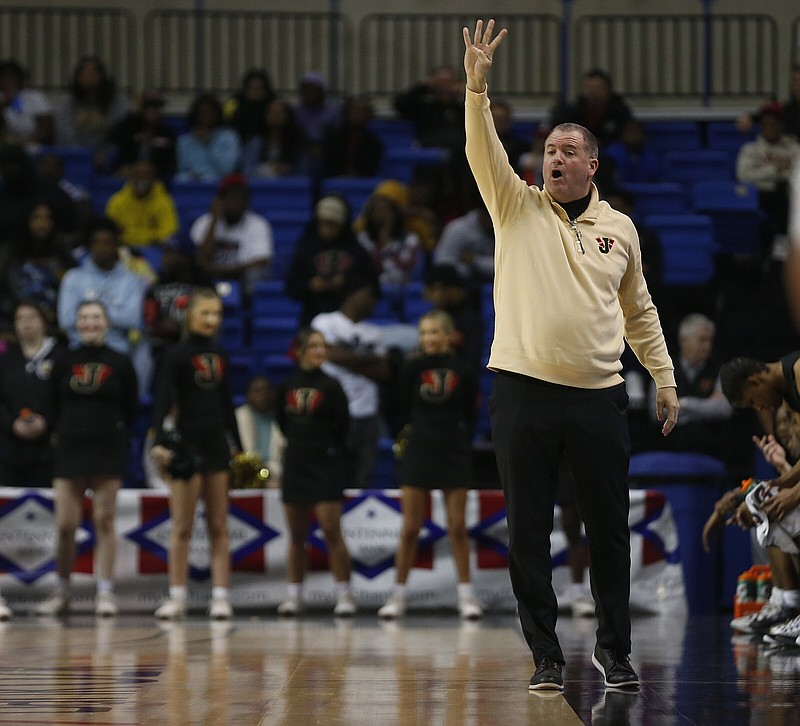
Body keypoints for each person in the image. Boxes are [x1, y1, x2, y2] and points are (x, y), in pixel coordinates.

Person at [462, 19, 679, 692]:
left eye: (567, 150)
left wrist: (665, 379)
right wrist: (477, 87)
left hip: (597, 394)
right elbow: (481, 151)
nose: (554, 157)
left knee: (610, 532)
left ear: (590, 164)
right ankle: (547, 656)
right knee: (529, 531)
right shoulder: (514, 206)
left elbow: (639, 311)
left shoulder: (619, 229)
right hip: (523, 389)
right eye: (548, 149)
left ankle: (613, 650)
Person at [35, 300, 138, 617]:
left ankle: (105, 591)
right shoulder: (64, 360)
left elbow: (131, 407)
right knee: (66, 524)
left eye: (96, 317)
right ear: (75, 324)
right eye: (84, 318)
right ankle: (62, 590)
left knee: (104, 521)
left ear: (106, 323)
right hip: (70, 447)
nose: (90, 323)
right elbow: (51, 404)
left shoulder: (120, 362)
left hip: (107, 447)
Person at [377, 310, 483, 619]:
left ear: (449, 336)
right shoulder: (412, 366)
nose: (428, 339)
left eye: (434, 332)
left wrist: (459, 437)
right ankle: (398, 596)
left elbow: (470, 412)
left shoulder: (464, 369)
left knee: (458, 527)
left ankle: (466, 596)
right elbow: (400, 407)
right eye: (424, 333)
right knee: (410, 527)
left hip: (453, 448)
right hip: (419, 447)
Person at [150, 287, 242, 620]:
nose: (211, 320)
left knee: (219, 524)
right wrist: (159, 440)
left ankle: (220, 596)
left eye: (216, 314)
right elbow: (162, 400)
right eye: (205, 313)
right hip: (185, 446)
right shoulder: (175, 354)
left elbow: (227, 404)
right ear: (189, 315)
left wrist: (240, 448)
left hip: (215, 445)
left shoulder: (220, 354)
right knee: (182, 526)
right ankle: (177, 596)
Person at [274, 327, 356, 616]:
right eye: (313, 346)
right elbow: (282, 423)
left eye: (323, 346)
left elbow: (343, 426)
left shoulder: (332, 386)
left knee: (332, 530)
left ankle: (344, 594)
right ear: (299, 351)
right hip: (296, 462)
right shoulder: (287, 385)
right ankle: (295, 595)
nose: (320, 351)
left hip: (325, 465)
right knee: (297, 535)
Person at [310, 274, 390, 490]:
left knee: (363, 478)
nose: (373, 301)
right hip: (334, 414)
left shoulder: (375, 332)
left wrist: (347, 359)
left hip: (367, 415)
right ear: (354, 293)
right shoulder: (324, 321)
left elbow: (383, 372)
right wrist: (370, 358)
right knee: (333, 477)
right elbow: (329, 353)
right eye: (369, 295)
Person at [57, 216, 146, 356]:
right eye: (96, 242)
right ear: (89, 245)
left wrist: (86, 316)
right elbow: (66, 320)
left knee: (142, 349)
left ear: (116, 246)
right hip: (79, 349)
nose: (101, 248)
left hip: (118, 352)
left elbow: (132, 319)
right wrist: (111, 314)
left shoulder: (131, 280)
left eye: (107, 243)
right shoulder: (73, 277)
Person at [285, 194, 378, 326]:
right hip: (312, 319)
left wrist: (345, 282)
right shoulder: (306, 248)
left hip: (349, 321)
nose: (325, 228)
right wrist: (311, 285)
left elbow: (372, 285)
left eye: (331, 224)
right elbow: (291, 287)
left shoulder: (356, 250)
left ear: (342, 224)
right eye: (322, 223)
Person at [0, 301, 66, 487]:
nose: (25, 323)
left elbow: (65, 399)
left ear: (44, 322)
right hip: (10, 445)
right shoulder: (6, 359)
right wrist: (12, 423)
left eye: (31, 317)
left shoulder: (60, 356)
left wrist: (47, 421)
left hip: (49, 446)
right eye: (20, 318)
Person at [189, 173, 273, 297]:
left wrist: (224, 270)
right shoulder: (204, 222)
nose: (235, 204)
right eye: (231, 198)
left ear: (247, 201)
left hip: (241, 279)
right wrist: (214, 220)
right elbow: (201, 258)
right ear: (220, 200)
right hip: (209, 278)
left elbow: (261, 261)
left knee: (255, 275)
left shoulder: (258, 224)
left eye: (240, 198)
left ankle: (249, 314)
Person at [736, 102, 800, 259]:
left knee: (784, 191)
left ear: (781, 125)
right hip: (759, 195)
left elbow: (796, 174)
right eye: (766, 123)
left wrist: (769, 174)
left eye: (774, 122)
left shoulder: (792, 147)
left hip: (786, 196)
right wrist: (775, 170)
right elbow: (744, 175)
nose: (770, 126)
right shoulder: (751, 149)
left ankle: (780, 250)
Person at [5, 202, 76, 326]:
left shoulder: (62, 255)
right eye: (36, 217)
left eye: (47, 218)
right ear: (26, 220)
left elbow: (70, 289)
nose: (43, 223)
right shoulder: (13, 255)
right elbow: (10, 292)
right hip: (18, 320)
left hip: (58, 320)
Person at [54, 56, 129, 170]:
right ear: (77, 77)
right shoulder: (67, 102)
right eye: (84, 74)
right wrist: (84, 154)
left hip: (108, 156)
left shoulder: (118, 101)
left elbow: (119, 130)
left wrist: (105, 154)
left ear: (102, 76)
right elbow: (63, 130)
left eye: (93, 73)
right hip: (76, 155)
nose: (89, 78)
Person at [550, 68, 634, 149]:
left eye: (597, 87)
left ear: (608, 89)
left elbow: (630, 137)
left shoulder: (620, 111)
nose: (592, 92)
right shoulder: (574, 111)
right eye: (589, 88)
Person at [105, 160, 179, 248]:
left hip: (153, 250)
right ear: (131, 176)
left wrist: (127, 234)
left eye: (146, 175)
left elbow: (168, 234)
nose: (141, 178)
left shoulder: (164, 201)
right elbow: (109, 231)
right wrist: (151, 237)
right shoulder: (117, 200)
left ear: (153, 178)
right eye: (137, 174)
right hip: (123, 248)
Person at [106, 89, 177, 180]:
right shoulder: (130, 128)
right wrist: (132, 114)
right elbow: (113, 136)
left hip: (157, 179)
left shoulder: (166, 133)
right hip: (129, 176)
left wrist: (151, 170)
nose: (153, 111)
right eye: (149, 107)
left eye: (157, 107)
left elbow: (170, 164)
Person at [356, 190, 421, 286]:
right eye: (377, 211)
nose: (382, 215)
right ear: (370, 215)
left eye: (386, 210)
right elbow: (363, 270)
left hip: (403, 287)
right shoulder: (362, 239)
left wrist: (387, 243)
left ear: (395, 213)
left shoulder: (410, 239)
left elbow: (408, 272)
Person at [394, 65, 465, 152]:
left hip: (460, 147)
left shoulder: (461, 106)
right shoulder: (424, 104)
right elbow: (400, 105)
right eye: (441, 83)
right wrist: (423, 87)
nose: (445, 87)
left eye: (449, 82)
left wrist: (467, 95)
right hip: (430, 143)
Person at [235, 375, 285, 489]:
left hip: (277, 477)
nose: (263, 395)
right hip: (244, 478)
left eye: (268, 390)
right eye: (257, 391)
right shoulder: (237, 417)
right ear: (247, 395)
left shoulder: (283, 418)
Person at [176, 94, 240, 181]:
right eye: (201, 113)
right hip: (192, 184)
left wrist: (209, 143)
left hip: (218, 184)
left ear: (217, 114)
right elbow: (182, 170)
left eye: (210, 112)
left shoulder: (229, 136)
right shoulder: (184, 141)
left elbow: (227, 170)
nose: (205, 116)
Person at [240, 98, 308, 178]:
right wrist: (268, 169)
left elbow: (303, 171)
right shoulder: (255, 142)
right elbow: (247, 170)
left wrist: (286, 169)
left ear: (288, 116)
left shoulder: (296, 142)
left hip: (290, 185)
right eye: (271, 112)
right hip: (261, 185)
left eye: (280, 112)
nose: (275, 115)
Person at [321, 94, 384, 179]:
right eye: (356, 111)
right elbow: (328, 166)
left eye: (363, 112)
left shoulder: (374, 143)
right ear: (346, 113)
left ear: (369, 115)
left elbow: (370, 170)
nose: (359, 115)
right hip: (335, 183)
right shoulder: (333, 139)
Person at [0, 59, 53, 147]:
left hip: (35, 143)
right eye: (4, 78)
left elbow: (46, 127)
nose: (7, 82)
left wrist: (28, 142)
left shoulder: (34, 96)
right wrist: (4, 105)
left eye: (11, 78)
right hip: (8, 144)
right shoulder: (2, 97)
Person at [223, 69, 277, 145]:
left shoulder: (273, 106)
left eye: (260, 88)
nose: (256, 92)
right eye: (252, 88)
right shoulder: (234, 105)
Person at [604, 119, 662, 185]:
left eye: (636, 131)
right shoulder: (611, 154)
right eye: (629, 131)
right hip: (618, 192)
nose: (633, 135)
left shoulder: (652, 157)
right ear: (622, 134)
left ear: (643, 135)